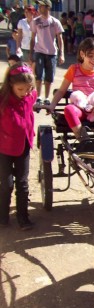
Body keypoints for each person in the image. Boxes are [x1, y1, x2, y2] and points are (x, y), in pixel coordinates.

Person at [45, 37, 94, 144]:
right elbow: (62, 91)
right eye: (91, 56)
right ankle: (83, 139)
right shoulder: (74, 69)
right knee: (69, 109)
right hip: (80, 108)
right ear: (82, 54)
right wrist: (52, 105)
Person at [0, 63, 38, 230]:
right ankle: (2, 216)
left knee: (22, 183)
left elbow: (33, 95)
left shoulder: (31, 96)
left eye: (28, 89)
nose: (25, 93)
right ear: (11, 85)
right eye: (20, 89)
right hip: (3, 149)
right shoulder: (2, 101)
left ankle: (23, 217)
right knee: (6, 184)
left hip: (23, 146)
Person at [30, 0, 65, 105]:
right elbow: (32, 38)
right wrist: (31, 53)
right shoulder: (35, 21)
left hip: (52, 53)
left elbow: (60, 39)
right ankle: (39, 97)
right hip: (39, 51)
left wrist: (61, 54)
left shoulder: (55, 22)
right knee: (39, 75)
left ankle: (46, 97)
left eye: (41, 6)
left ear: (48, 7)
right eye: (39, 6)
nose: (39, 8)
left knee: (49, 77)